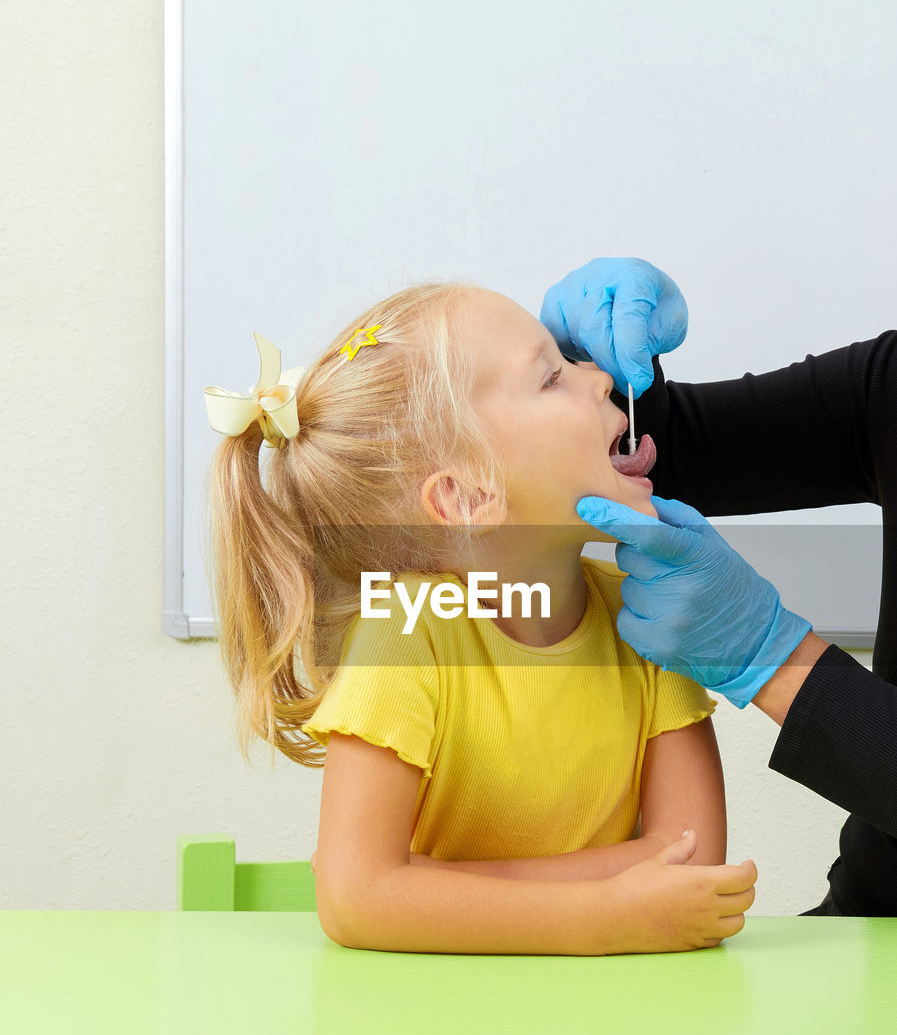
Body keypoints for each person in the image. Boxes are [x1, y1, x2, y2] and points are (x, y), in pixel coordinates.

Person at [204, 281, 757, 955]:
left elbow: (692, 864)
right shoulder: (404, 633)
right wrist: (599, 915)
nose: (599, 377)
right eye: (552, 375)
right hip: (435, 1030)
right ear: (467, 496)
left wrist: (436, 888)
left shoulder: (645, 616)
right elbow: (352, 900)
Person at [541, 257, 897, 916]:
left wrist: (772, 656)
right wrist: (610, 380)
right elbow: (668, 452)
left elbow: (684, 861)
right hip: (869, 928)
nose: (581, 385)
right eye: (549, 380)